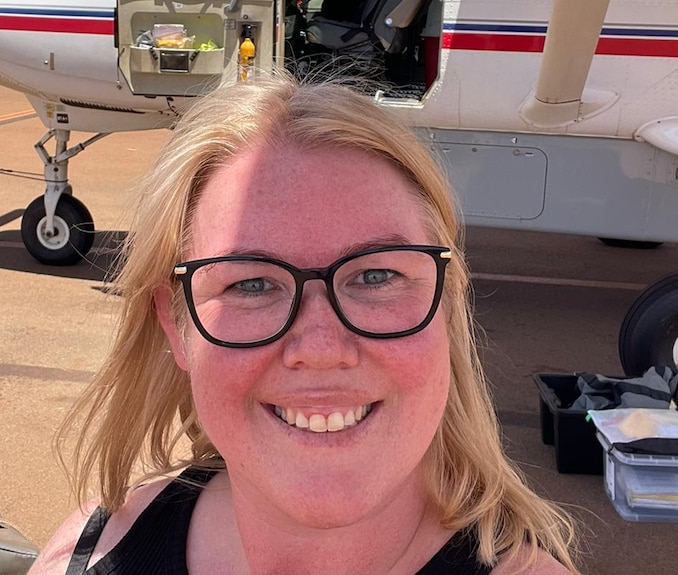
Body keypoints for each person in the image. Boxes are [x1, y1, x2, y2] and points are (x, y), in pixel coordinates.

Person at [29, 74, 580, 575]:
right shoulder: (84, 557)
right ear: (176, 328)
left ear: (447, 304)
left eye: (377, 276)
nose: (320, 348)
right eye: (250, 284)